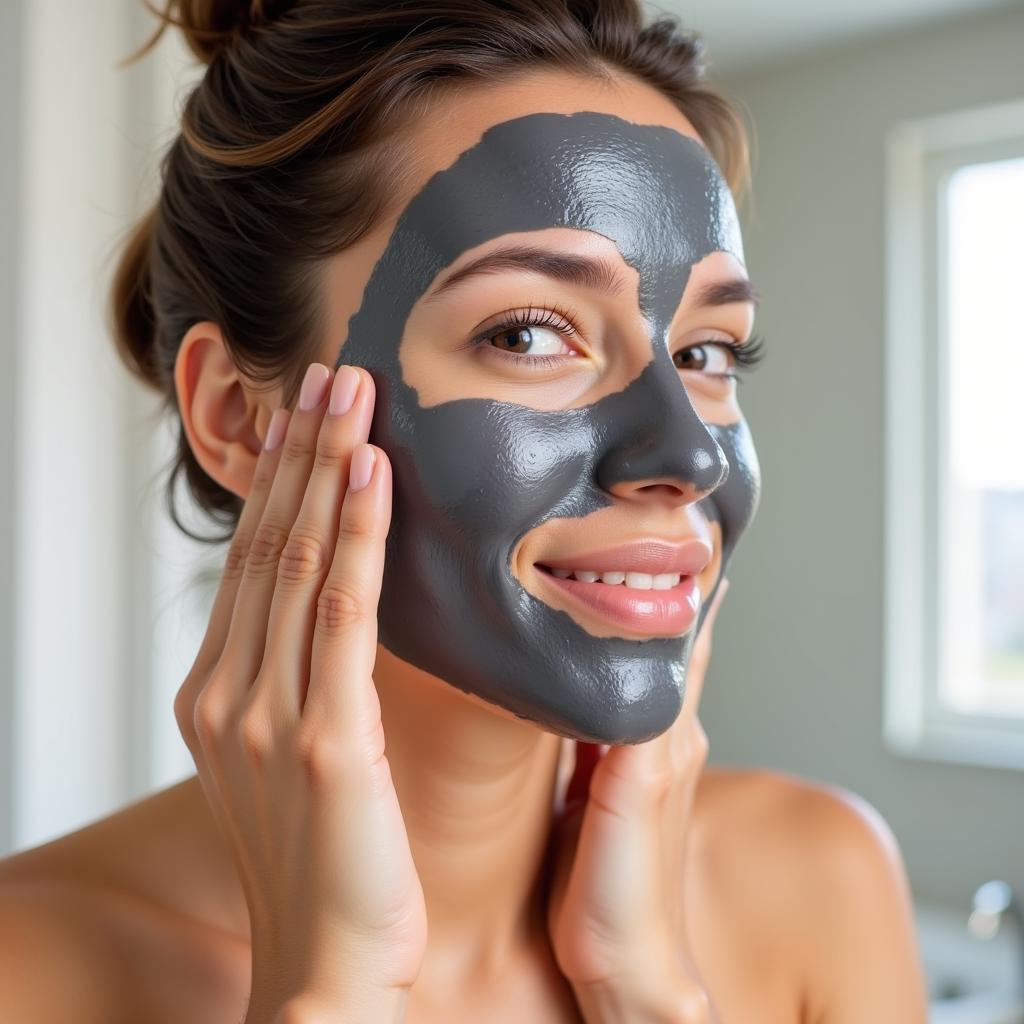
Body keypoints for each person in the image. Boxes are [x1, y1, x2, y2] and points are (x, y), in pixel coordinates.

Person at [0, 1, 929, 1021]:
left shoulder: (819, 883)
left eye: (706, 353)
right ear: (239, 418)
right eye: (529, 333)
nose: (687, 454)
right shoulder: (29, 969)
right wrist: (327, 992)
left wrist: (645, 989)